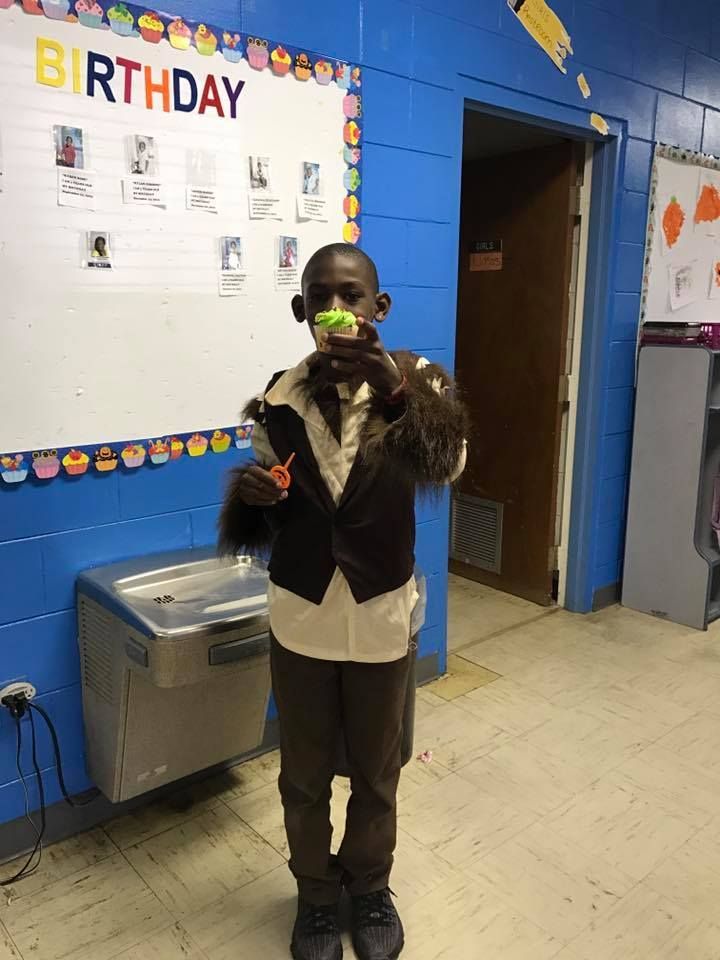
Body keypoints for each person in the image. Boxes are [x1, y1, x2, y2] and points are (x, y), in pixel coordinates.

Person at [219, 243, 467, 960]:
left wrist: (394, 391)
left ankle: (370, 886)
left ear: (377, 307)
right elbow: (266, 515)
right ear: (303, 312)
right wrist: (255, 498)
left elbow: (446, 464)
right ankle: (316, 897)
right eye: (322, 296)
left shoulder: (419, 383)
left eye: (353, 296)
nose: (339, 309)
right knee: (302, 772)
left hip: (381, 615)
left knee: (377, 769)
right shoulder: (277, 397)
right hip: (301, 616)